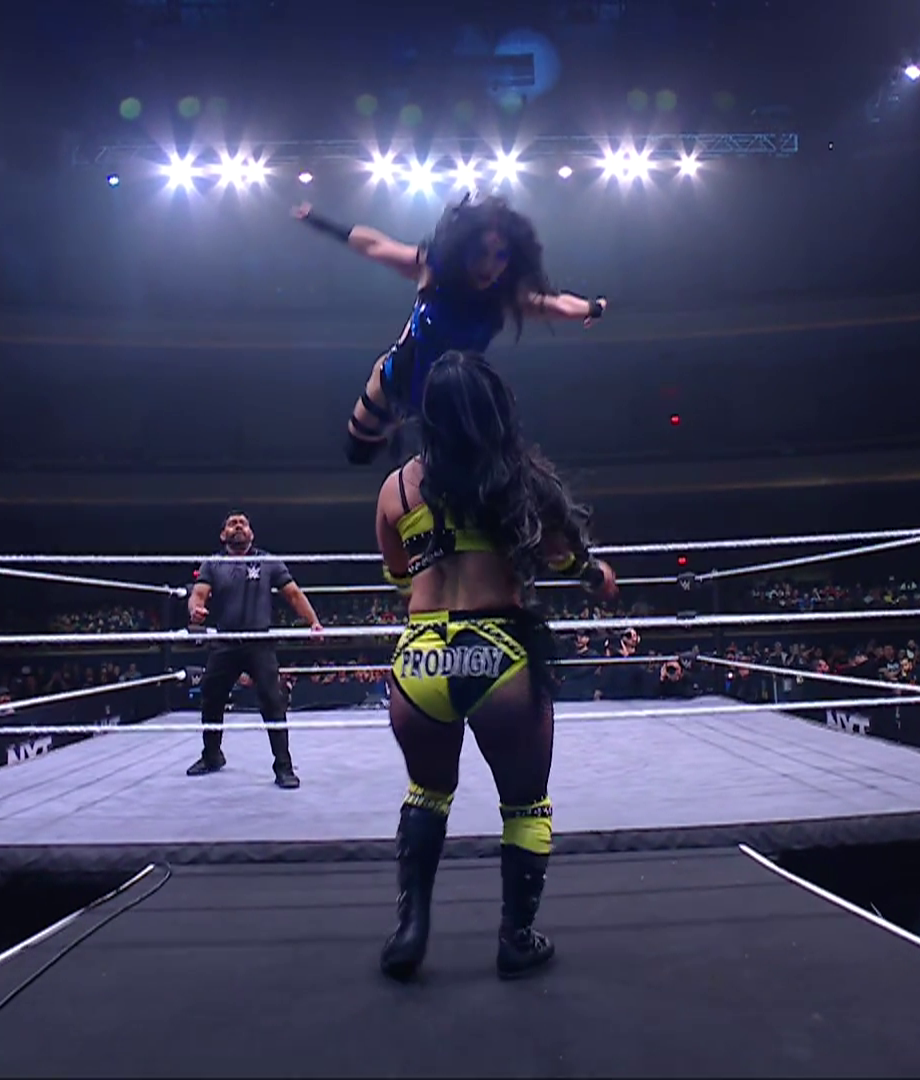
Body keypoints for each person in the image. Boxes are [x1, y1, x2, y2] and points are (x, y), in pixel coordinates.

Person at [371, 350, 617, 982]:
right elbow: (568, 560)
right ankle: (516, 938)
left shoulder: (397, 489)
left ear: (428, 415)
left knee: (427, 792)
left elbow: (399, 574)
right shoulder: (517, 480)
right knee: (526, 804)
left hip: (421, 656)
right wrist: (595, 574)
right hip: (500, 650)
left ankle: (410, 931)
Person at [290, 195, 609, 464]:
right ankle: (393, 433)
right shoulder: (433, 270)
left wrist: (593, 307)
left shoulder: (502, 297)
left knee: (451, 469)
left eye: (500, 256)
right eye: (481, 253)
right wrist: (319, 221)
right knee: (357, 453)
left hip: (447, 397)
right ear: (463, 248)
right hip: (395, 380)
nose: (489, 265)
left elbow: (555, 305)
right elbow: (375, 245)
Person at [186, 513, 323, 789]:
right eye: (232, 523)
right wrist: (195, 610)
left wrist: (314, 622)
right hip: (225, 641)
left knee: (273, 701)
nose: (238, 525)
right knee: (211, 697)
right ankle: (212, 755)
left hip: (259, 641)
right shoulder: (213, 563)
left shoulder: (268, 561)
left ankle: (283, 766)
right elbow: (198, 594)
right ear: (223, 535)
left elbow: (293, 593)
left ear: (251, 533)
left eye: (243, 523)